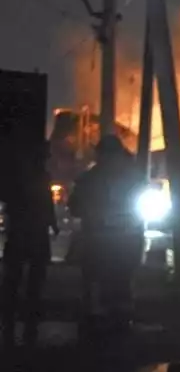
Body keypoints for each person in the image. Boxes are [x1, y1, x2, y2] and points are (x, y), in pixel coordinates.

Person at [67, 135, 146, 339]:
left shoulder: (134, 180)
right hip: (100, 241)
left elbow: (141, 205)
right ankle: (99, 322)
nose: (109, 160)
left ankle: (119, 323)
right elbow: (75, 207)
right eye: (106, 156)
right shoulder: (89, 180)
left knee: (121, 282)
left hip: (122, 240)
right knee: (98, 282)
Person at [1, 141, 58, 348]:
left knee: (14, 279)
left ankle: (10, 322)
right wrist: (53, 224)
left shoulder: (17, 177)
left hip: (20, 233)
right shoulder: (40, 177)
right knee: (33, 281)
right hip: (35, 233)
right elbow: (46, 204)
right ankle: (28, 322)